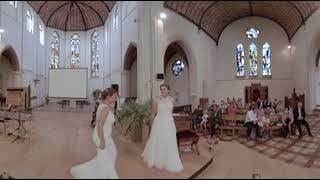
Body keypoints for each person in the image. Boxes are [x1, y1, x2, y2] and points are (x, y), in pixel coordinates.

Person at [70, 88, 119, 179]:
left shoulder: (103, 106)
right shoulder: (105, 109)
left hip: (105, 135)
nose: (116, 99)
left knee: (110, 154)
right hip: (103, 137)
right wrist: (102, 141)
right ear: (109, 97)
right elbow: (99, 125)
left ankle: (103, 173)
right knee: (107, 157)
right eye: (115, 97)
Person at [142, 84, 183, 172]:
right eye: (161, 90)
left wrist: (172, 123)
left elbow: (170, 113)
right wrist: (151, 127)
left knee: (169, 141)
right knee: (159, 140)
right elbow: (152, 115)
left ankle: (168, 159)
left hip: (169, 123)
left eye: (164, 89)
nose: (162, 91)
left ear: (168, 90)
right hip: (159, 123)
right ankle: (158, 159)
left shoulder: (172, 99)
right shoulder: (156, 99)